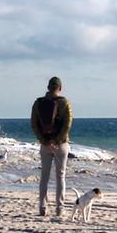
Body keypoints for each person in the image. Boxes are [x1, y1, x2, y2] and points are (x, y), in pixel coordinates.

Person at [30, 76, 73, 216]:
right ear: (60, 88)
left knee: (44, 176)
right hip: (61, 145)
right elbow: (67, 124)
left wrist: (44, 140)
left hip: (45, 144)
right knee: (60, 176)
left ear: (48, 88)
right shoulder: (64, 103)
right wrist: (58, 140)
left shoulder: (38, 103)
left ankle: (42, 208)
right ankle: (59, 208)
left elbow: (34, 125)